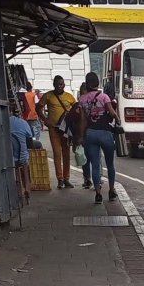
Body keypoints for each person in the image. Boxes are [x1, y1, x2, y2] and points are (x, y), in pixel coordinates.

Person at [79, 72, 122, 204]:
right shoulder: (104, 97)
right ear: (98, 83)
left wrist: (81, 136)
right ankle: (111, 190)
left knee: (95, 165)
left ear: (87, 83)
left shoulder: (82, 99)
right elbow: (112, 112)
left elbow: (83, 120)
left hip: (91, 133)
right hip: (105, 133)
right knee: (110, 164)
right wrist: (118, 119)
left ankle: (98, 194)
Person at [36, 75, 76, 189]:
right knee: (57, 154)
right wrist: (45, 121)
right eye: (58, 84)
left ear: (64, 85)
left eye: (62, 84)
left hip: (65, 130)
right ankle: (60, 179)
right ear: (54, 84)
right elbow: (38, 108)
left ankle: (66, 179)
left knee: (66, 154)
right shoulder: (48, 95)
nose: (60, 86)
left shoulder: (70, 97)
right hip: (53, 129)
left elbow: (77, 109)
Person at [9, 110, 34, 201]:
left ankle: (18, 190)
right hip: (21, 157)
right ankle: (27, 187)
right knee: (25, 166)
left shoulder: (2, 122)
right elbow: (30, 142)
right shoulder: (23, 123)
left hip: (8, 159)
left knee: (15, 166)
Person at [78, 82, 92, 189]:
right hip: (92, 132)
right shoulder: (96, 100)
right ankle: (95, 179)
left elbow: (81, 120)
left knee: (85, 158)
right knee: (94, 158)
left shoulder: (81, 102)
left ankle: (87, 179)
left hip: (85, 133)